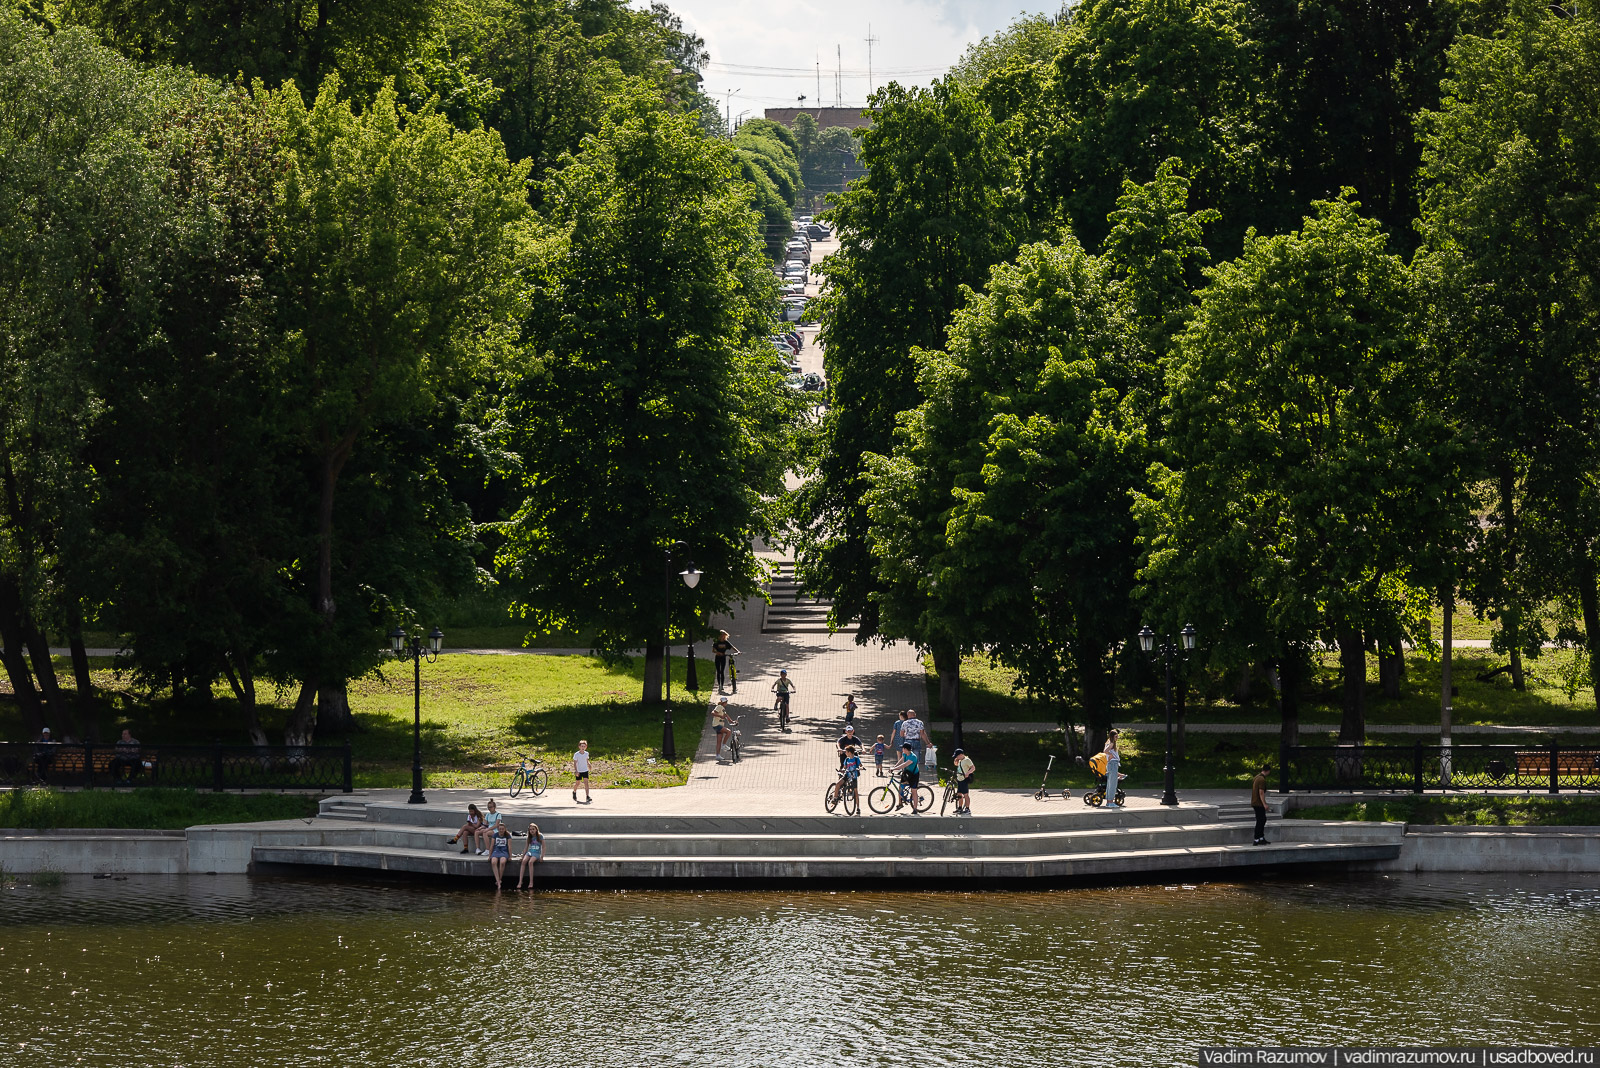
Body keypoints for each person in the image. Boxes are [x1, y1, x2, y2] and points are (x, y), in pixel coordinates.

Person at [890, 742, 920, 814]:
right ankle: (900, 804)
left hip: (914, 775)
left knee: (914, 791)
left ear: (906, 749)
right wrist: (894, 766)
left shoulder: (913, 757)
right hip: (906, 773)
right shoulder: (905, 754)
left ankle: (915, 808)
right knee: (900, 787)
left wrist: (894, 769)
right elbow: (901, 760)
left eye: (903, 748)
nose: (902, 750)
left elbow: (904, 765)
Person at [517, 823, 545, 889]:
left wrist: (542, 856)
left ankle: (531, 882)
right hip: (530, 852)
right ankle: (520, 881)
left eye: (533, 829)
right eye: (530, 830)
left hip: (536, 853)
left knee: (530, 862)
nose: (532, 831)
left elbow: (544, 847)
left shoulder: (540, 836)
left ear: (536, 829)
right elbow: (526, 847)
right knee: (524, 861)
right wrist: (522, 856)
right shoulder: (529, 837)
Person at [487, 818, 512, 889]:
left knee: (502, 861)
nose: (501, 830)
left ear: (505, 829)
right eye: (500, 829)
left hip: (504, 851)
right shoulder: (495, 835)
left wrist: (510, 856)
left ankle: (499, 880)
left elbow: (509, 846)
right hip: (496, 851)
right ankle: (498, 882)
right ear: (498, 829)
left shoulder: (508, 835)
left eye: (502, 829)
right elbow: (491, 846)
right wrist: (489, 855)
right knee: (494, 862)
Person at [1102, 730, 1124, 810]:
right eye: (1116, 736)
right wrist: (1110, 755)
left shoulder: (1108, 742)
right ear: (1112, 736)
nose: (1117, 738)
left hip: (1111, 764)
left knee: (1110, 784)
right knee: (1113, 784)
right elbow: (1105, 751)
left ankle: (1109, 801)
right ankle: (1110, 802)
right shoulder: (1111, 743)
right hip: (1113, 763)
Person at [952, 747, 976, 816]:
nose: (957, 757)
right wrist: (956, 761)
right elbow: (958, 766)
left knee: (965, 794)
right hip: (959, 779)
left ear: (961, 754)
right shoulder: (960, 760)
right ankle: (960, 808)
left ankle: (967, 808)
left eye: (957, 756)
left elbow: (973, 767)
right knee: (959, 794)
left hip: (964, 779)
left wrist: (968, 773)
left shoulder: (967, 760)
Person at [1252, 764, 1271, 845]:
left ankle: (1261, 837)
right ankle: (1256, 839)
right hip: (1258, 803)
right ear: (1268, 771)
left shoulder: (1257, 777)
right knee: (1261, 820)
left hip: (1255, 802)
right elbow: (1261, 792)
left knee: (1262, 820)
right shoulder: (1262, 779)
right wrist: (1265, 804)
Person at [712, 697, 735, 763]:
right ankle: (724, 745)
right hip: (717, 725)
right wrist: (720, 716)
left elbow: (726, 715)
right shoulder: (719, 706)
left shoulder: (723, 708)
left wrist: (732, 721)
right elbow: (713, 713)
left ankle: (718, 755)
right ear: (723, 702)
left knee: (719, 741)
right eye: (726, 702)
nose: (727, 703)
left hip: (719, 725)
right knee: (728, 731)